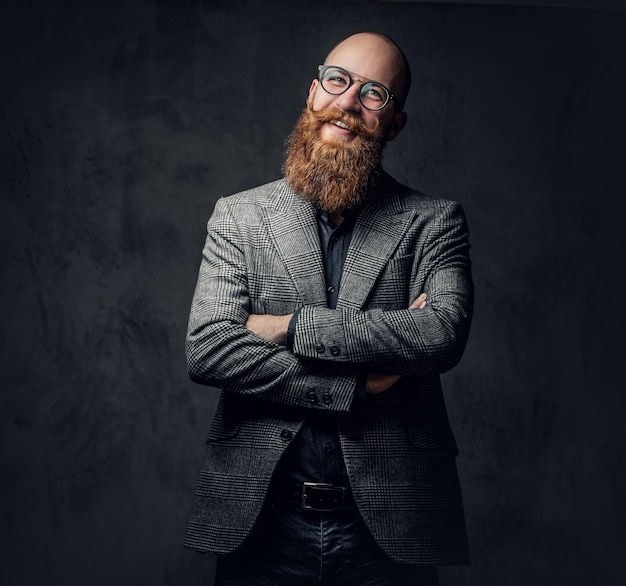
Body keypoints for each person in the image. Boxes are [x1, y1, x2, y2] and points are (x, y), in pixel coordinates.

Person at [183, 32, 473, 585]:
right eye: (337, 80)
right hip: (260, 524)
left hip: (391, 530)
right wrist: (356, 383)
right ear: (313, 91)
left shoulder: (434, 221)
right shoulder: (238, 217)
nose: (347, 101)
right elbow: (208, 350)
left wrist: (288, 326)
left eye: (374, 93)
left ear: (395, 122)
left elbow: (441, 335)